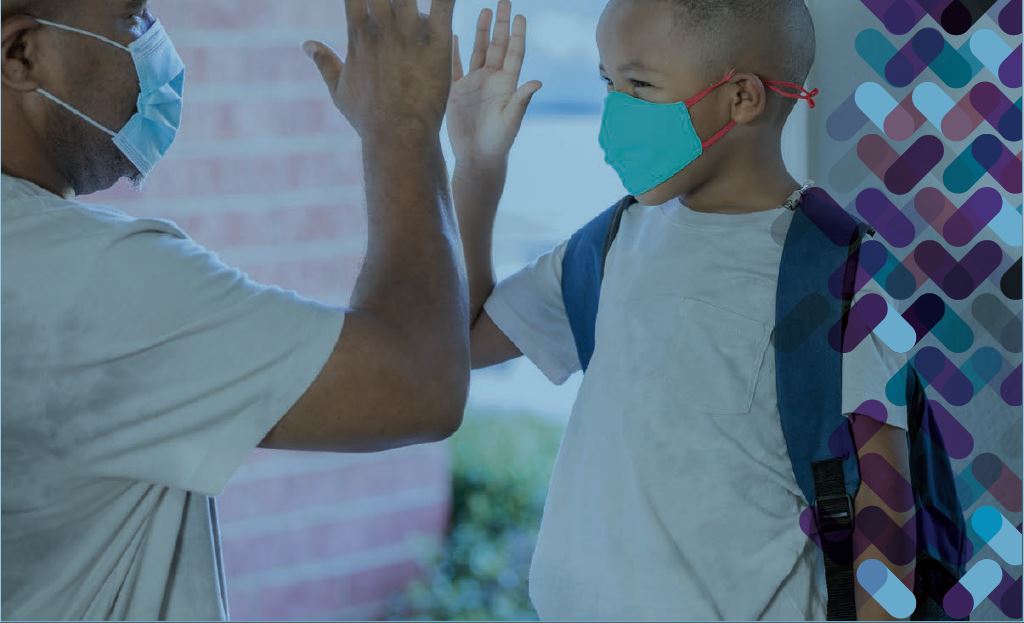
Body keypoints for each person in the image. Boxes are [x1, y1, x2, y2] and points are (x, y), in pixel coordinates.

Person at [449, 0, 915, 620]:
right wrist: (478, 170)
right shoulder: (610, 243)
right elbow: (463, 342)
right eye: (608, 83)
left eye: (640, 86)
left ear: (742, 98)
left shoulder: (838, 275)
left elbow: (883, 520)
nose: (614, 112)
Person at [1, 0, 467, 619]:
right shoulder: (88, 278)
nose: (157, 46)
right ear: (21, 53)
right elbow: (418, 382)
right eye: (132, 17)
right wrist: (402, 126)